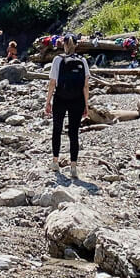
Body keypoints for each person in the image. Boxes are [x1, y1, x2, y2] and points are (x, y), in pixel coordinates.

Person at [44, 33, 90, 180]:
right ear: (76, 45)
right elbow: (85, 85)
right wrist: (86, 105)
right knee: (74, 133)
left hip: (60, 98)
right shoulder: (83, 61)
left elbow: (52, 83)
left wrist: (48, 101)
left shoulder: (58, 60)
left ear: (63, 45)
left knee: (57, 130)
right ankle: (74, 167)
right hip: (77, 100)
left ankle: (55, 162)